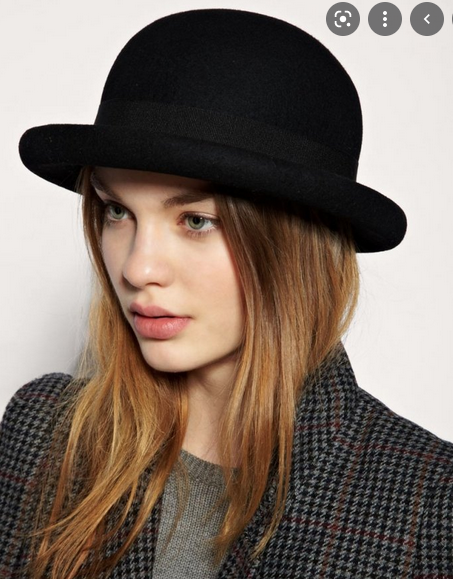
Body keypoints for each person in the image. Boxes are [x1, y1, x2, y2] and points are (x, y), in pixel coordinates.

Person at [1, 7, 452, 579]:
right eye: (117, 211)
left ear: (297, 245)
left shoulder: (429, 505)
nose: (138, 268)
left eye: (196, 221)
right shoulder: (44, 433)